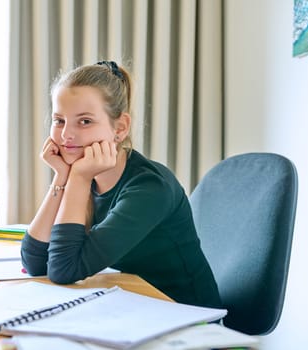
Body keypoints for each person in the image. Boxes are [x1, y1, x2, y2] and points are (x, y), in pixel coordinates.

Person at [20, 61, 222, 309]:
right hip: (135, 306)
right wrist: (62, 176)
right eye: (59, 120)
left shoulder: (149, 188)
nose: (65, 136)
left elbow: (64, 269)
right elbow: (35, 263)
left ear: (120, 127)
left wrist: (78, 178)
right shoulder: (87, 175)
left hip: (188, 318)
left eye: (84, 121)